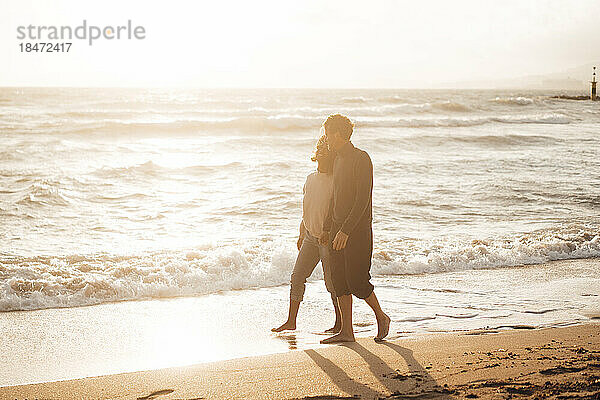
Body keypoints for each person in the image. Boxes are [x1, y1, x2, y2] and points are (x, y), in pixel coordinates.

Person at [318, 114, 390, 344]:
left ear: (338, 134)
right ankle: (347, 332)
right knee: (339, 279)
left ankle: (381, 317)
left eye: (328, 133)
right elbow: (335, 198)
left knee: (357, 281)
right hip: (337, 230)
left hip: (356, 231)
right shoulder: (337, 159)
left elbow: (362, 201)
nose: (326, 138)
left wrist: (346, 230)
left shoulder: (361, 158)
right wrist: (328, 228)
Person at [272, 135, 342, 333]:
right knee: (297, 276)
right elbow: (307, 208)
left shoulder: (335, 181)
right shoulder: (310, 178)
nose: (321, 154)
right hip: (310, 237)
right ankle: (291, 322)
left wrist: (329, 233)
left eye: (325, 151)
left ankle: (340, 323)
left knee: (332, 283)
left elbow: (335, 211)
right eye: (319, 151)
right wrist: (301, 232)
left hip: (326, 239)